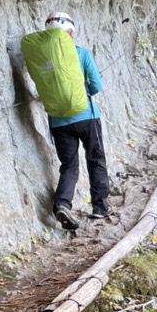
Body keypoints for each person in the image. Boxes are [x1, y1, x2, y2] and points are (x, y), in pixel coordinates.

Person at [42, 12, 114, 230]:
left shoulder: (45, 61)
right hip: (87, 116)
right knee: (96, 159)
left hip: (59, 121)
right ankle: (100, 207)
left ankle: (63, 203)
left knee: (69, 165)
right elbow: (96, 87)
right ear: (70, 34)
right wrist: (84, 91)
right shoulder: (81, 54)